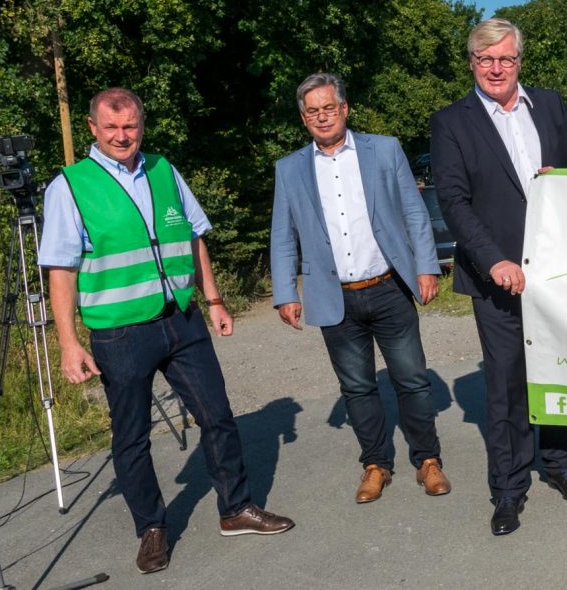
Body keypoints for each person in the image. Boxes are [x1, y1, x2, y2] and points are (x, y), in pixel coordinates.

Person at [39, 88, 293, 575]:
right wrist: (69, 343)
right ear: (92, 128)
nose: (122, 136)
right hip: (119, 333)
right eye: (111, 127)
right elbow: (61, 270)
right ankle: (151, 528)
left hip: (181, 318)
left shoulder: (163, 170)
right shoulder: (70, 185)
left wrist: (213, 299)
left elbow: (193, 237)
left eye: (130, 126)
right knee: (131, 437)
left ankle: (236, 508)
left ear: (142, 124)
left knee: (217, 415)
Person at [428, 18, 567, 536]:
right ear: (472, 64)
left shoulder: (548, 105)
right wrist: (493, 260)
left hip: (559, 271)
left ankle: (560, 464)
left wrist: (566, 177)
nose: (496, 68)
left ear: (519, 60)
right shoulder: (451, 122)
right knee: (506, 384)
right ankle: (508, 488)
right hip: (497, 278)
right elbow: (454, 203)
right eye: (485, 60)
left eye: (505, 58)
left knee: (563, 370)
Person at [270, 73, 450, 506]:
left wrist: (426, 266)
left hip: (388, 287)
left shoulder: (383, 149)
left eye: (328, 108)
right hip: (334, 296)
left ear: (344, 108)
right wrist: (285, 292)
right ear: (303, 117)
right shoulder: (290, 168)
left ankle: (427, 460)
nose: (321, 117)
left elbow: (413, 210)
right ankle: (376, 464)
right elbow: (282, 234)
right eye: (312, 111)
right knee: (356, 387)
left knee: (412, 380)